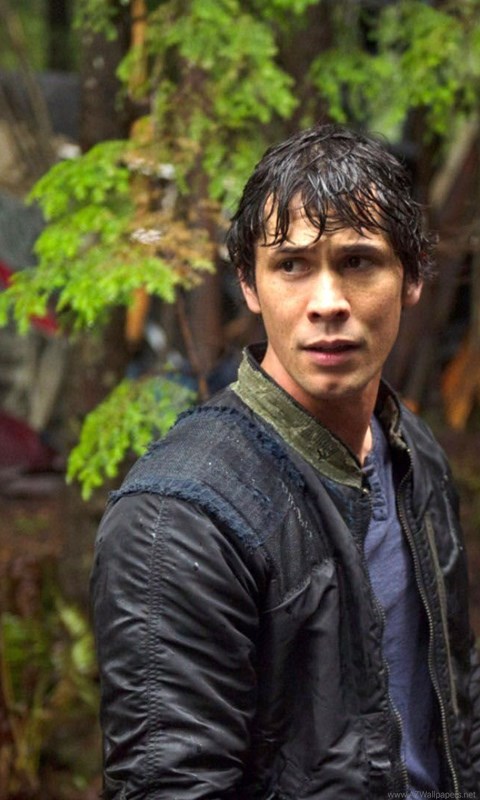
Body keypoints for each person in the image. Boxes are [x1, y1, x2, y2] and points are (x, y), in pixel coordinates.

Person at [91, 124, 480, 799]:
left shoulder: (411, 449)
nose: (327, 303)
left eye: (358, 261)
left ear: (412, 277)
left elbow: (452, 696)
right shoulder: (177, 521)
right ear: (249, 283)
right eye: (292, 265)